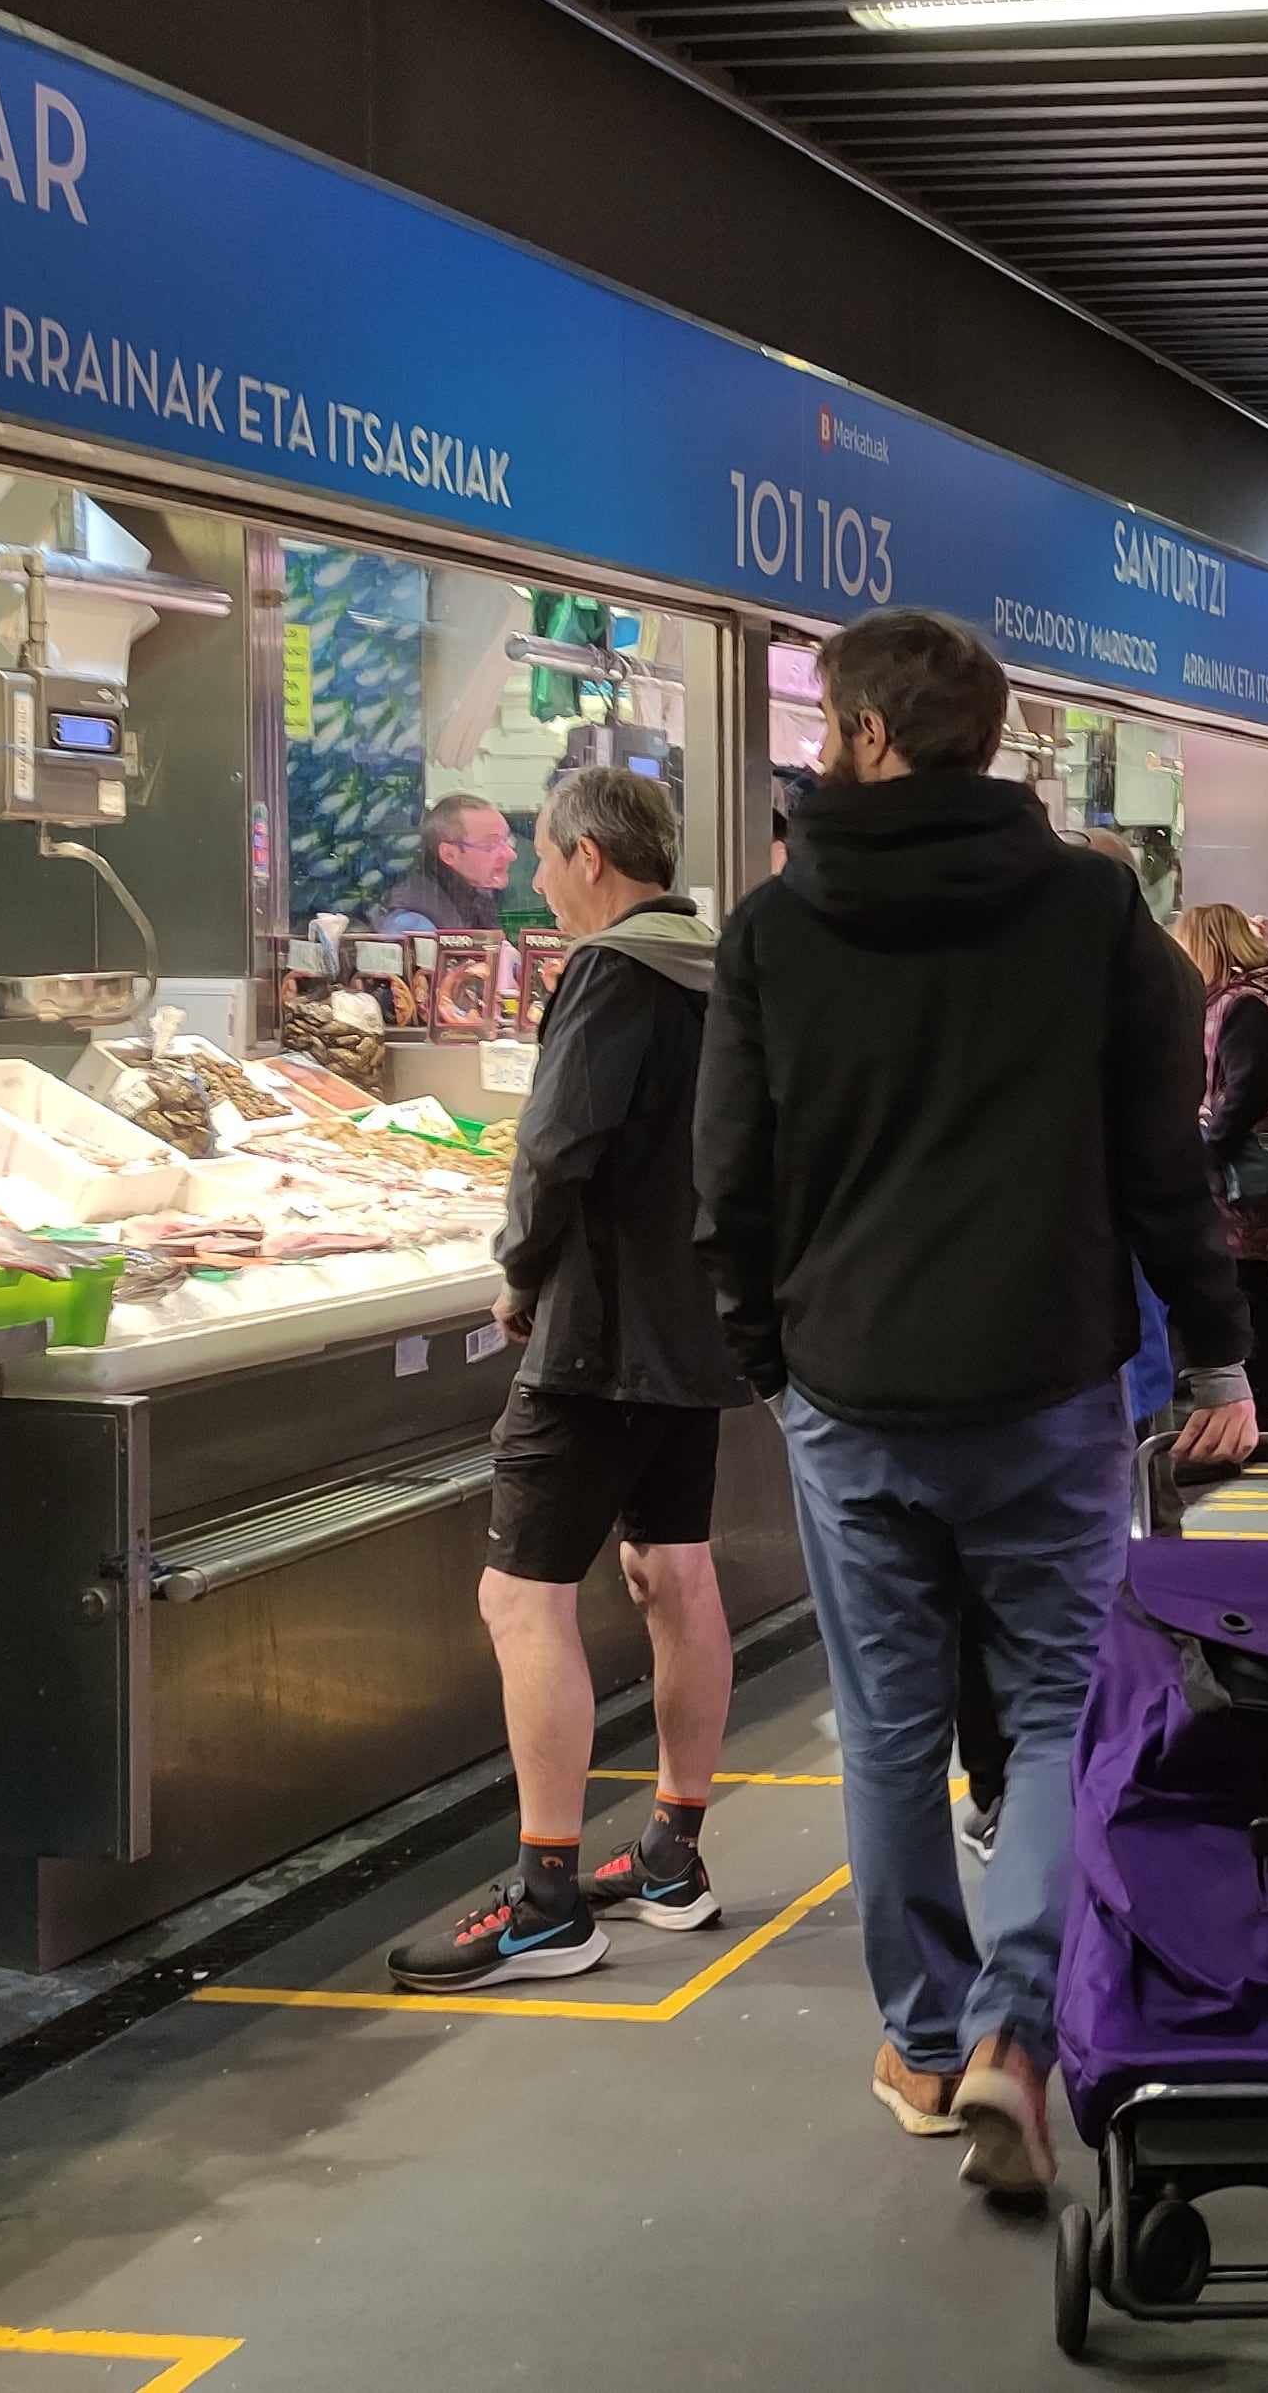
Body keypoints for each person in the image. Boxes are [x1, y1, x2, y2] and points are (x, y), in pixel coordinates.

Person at [699, 607, 1254, 2206]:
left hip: (852, 1386)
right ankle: (1022, 2027)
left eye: (823, 716)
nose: (814, 740)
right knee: (1058, 1711)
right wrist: (1214, 1356)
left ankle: (928, 2042)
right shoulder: (1094, 912)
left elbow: (728, 1177)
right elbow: (1165, 1166)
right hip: (1043, 1381)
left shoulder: (775, 929)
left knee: (885, 1730)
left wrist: (767, 1350)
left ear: (870, 734)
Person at [389, 770, 742, 1990]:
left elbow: (555, 1144)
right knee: (670, 1570)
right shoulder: (724, 965)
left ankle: (545, 1896)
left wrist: (518, 1270)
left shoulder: (612, 971)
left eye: (542, 857)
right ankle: (672, 1853)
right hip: (696, 1330)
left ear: (592, 857)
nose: (537, 882)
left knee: (519, 1600)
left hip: (598, 1337)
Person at [1180, 903, 1268, 1412]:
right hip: (1251, 1160)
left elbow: (1245, 1091)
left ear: (1208, 945)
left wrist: (1210, 1143)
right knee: (1251, 1282)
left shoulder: (1245, 1006)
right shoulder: (1256, 997)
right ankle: (1260, 1401)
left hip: (1243, 1166)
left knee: (1248, 1286)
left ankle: (1257, 1402)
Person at [378, 793, 518, 932]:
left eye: (507, 840)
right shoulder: (411, 923)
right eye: (491, 844)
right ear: (449, 854)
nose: (511, 854)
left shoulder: (474, 896)